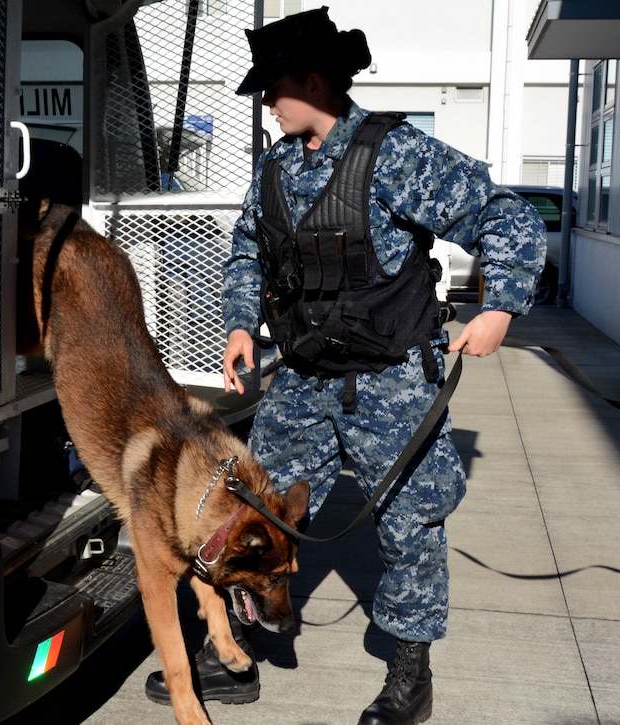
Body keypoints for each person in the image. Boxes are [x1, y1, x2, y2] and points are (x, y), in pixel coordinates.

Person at [146, 6, 546, 725]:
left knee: (408, 524)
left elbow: (505, 215)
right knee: (255, 517)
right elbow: (247, 250)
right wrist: (240, 320)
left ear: (316, 81)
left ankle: (408, 672)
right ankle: (235, 649)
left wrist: (500, 306)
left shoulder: (395, 155)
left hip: (388, 380)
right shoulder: (273, 165)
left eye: (274, 88)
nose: (266, 103)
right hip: (300, 379)